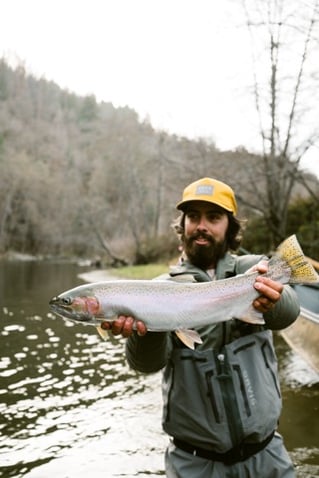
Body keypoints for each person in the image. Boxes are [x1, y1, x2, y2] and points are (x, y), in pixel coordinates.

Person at [101, 177, 300, 478]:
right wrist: (144, 331)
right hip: (194, 465)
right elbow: (144, 365)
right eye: (193, 216)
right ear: (182, 225)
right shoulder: (156, 290)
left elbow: (289, 313)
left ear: (230, 227)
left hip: (267, 456)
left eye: (214, 217)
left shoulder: (254, 269)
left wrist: (274, 298)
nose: (201, 225)